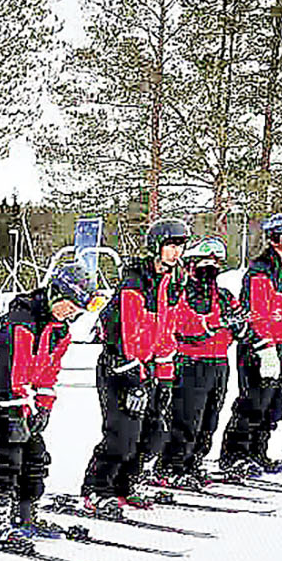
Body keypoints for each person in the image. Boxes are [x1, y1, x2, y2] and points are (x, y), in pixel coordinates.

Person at [0, 262, 91, 539]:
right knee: (9, 450)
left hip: (16, 393)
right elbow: (9, 370)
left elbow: (47, 373)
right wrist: (13, 412)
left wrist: (43, 405)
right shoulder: (21, 321)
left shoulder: (60, 331)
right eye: (69, 307)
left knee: (35, 452)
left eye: (76, 312)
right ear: (55, 294)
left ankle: (25, 512)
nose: (71, 315)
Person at [80, 219, 185, 515]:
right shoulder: (134, 282)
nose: (176, 252)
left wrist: (164, 378)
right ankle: (97, 489)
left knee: (154, 432)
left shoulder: (169, 282)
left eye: (179, 246)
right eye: (171, 246)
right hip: (120, 367)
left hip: (148, 368)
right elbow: (128, 335)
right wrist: (134, 380)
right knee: (122, 432)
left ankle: (126, 484)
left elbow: (166, 332)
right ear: (156, 247)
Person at [217, 213, 282, 475]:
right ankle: (235, 454)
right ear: (276, 238)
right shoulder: (260, 271)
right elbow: (257, 313)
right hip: (260, 347)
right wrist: (265, 348)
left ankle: (258, 451)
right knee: (254, 401)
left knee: (276, 404)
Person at [158, 236, 234, 487]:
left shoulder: (222, 295)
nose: (210, 268)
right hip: (192, 361)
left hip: (219, 361)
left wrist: (238, 324)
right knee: (186, 417)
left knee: (210, 417)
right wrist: (212, 325)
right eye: (204, 263)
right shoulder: (182, 293)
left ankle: (193, 461)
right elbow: (184, 326)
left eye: (214, 263)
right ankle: (171, 464)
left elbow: (234, 324)